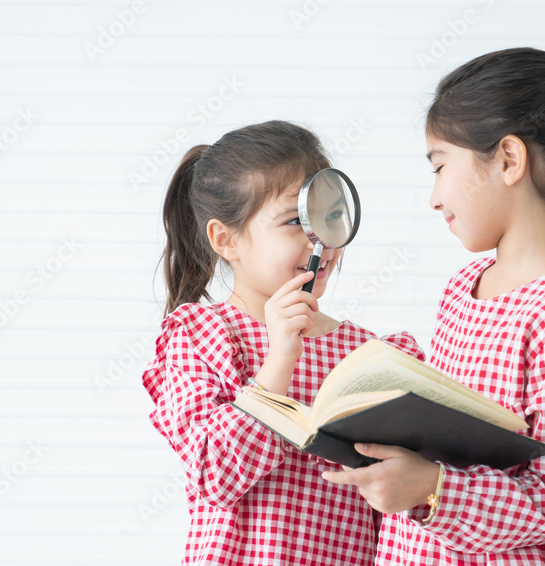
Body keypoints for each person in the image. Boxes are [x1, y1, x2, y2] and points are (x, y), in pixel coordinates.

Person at [323, 47, 545, 565]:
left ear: (508, 159)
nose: (434, 198)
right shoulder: (463, 288)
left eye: (440, 167)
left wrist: (430, 488)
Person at [141, 120, 425, 565]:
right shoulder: (200, 336)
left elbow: (395, 510)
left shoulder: (371, 356)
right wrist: (278, 362)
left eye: (332, 216)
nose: (322, 238)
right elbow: (212, 474)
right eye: (297, 220)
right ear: (226, 239)